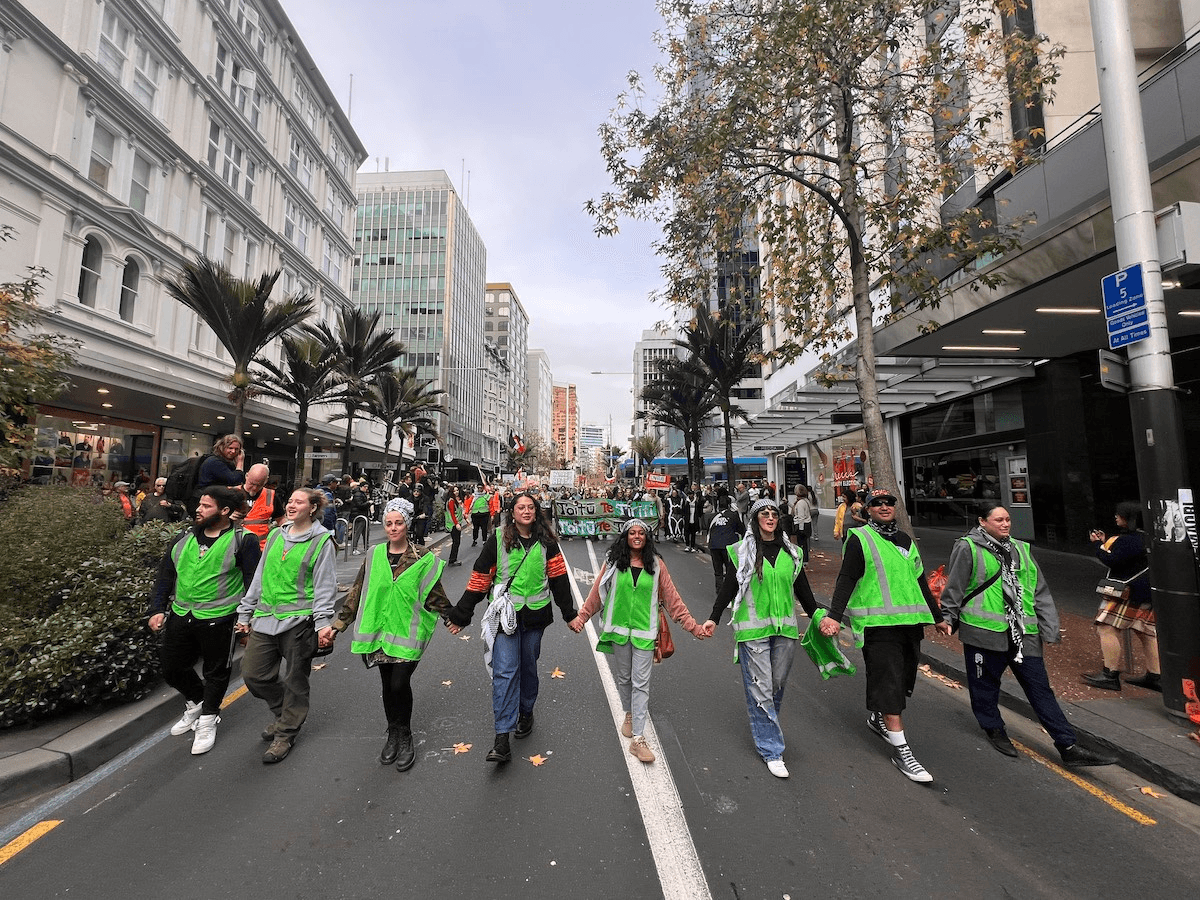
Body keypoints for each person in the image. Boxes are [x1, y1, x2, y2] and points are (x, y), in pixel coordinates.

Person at [941, 502, 1117, 766]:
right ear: (982, 522)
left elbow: (1039, 590)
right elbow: (955, 586)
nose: (1005, 524)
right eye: (999, 520)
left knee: (1040, 689)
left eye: (1008, 519)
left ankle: (1068, 745)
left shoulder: (1022, 549)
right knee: (985, 687)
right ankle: (994, 728)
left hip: (1024, 633)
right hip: (984, 631)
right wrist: (947, 617)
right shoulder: (968, 547)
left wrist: (1049, 626)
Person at [820, 488, 949, 784]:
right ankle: (902, 751)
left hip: (910, 624)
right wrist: (834, 616)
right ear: (868, 510)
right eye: (876, 504)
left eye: (889, 503)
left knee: (902, 680)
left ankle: (878, 718)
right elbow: (846, 578)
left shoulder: (905, 541)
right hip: (877, 626)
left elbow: (919, 580)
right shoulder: (860, 539)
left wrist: (938, 617)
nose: (884, 507)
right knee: (889, 682)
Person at [446, 492, 578, 764]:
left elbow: (559, 580)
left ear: (536, 511)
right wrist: (461, 615)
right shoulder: (497, 539)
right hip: (505, 619)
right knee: (505, 672)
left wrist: (570, 614)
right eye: (521, 507)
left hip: (536, 618)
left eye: (531, 507)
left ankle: (526, 712)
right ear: (513, 512)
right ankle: (502, 738)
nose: (526, 511)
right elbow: (480, 579)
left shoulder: (547, 541)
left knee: (528, 668)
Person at [329, 498, 452, 771]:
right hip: (379, 634)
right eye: (388, 523)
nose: (393, 528)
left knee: (399, 684)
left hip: (408, 633)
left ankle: (405, 735)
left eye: (398, 523)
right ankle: (393, 733)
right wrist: (338, 624)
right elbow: (357, 591)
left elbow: (434, 594)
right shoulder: (374, 555)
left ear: (407, 525)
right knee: (387, 685)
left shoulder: (422, 558)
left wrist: (452, 618)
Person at [570, 519, 706, 763]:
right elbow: (597, 593)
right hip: (618, 631)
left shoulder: (656, 565)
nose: (636, 536)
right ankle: (630, 714)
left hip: (645, 633)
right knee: (624, 678)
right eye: (632, 533)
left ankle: (639, 739)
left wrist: (693, 627)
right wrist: (582, 616)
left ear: (647, 538)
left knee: (641, 683)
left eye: (641, 533)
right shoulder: (613, 563)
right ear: (625, 537)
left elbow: (673, 600)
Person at [700, 497, 818, 778]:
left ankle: (764, 724)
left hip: (785, 630)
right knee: (761, 687)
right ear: (755, 520)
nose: (770, 517)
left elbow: (802, 589)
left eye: (774, 513)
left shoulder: (793, 552)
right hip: (752, 629)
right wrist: (714, 617)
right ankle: (771, 749)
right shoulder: (742, 551)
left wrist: (819, 617)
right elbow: (730, 586)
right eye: (764, 513)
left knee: (775, 685)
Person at [148, 486, 261, 754]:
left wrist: (247, 618)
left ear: (225, 511)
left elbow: (253, 582)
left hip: (220, 618)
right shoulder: (183, 537)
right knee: (171, 667)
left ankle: (209, 718)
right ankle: (197, 701)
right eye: (199, 504)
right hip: (181, 613)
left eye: (206, 506)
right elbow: (166, 574)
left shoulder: (244, 541)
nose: (198, 509)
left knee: (216, 672)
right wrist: (157, 609)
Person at [235, 487, 338, 764]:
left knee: (295, 681)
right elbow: (260, 576)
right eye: (290, 501)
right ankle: (285, 714)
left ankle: (285, 733)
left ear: (312, 508)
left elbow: (325, 586)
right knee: (253, 674)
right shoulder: (274, 536)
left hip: (299, 622)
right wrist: (245, 613)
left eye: (298, 502)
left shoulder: (322, 541)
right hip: (265, 618)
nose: (291, 505)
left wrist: (323, 624)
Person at [1083, 502, 1159, 692]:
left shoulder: (1128, 540)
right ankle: (1155, 676)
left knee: (1106, 627)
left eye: (1120, 514)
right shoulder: (1149, 538)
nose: (1116, 517)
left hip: (1126, 593)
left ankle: (1110, 675)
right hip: (1147, 592)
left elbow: (1112, 559)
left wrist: (1097, 544)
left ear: (1130, 518)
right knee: (1146, 632)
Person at [236, 464, 285, 550]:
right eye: (251, 483)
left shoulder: (271, 496)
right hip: (235, 546)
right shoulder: (232, 493)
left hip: (260, 548)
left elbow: (281, 520)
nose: (254, 488)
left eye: (259, 485)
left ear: (266, 481)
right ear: (246, 476)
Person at [706, 494, 743, 597]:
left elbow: (707, 529)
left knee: (718, 572)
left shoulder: (712, 517)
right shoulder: (733, 515)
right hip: (729, 547)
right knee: (730, 570)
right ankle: (730, 593)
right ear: (729, 505)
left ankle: (720, 593)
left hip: (714, 546)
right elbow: (741, 529)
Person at [196, 435, 246, 499]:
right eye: (230, 448)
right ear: (222, 447)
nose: (233, 451)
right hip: (206, 499)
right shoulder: (215, 462)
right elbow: (235, 481)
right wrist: (240, 462)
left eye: (236, 449)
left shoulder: (226, 462)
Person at [444, 485, 467, 566]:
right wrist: (456, 524)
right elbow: (452, 513)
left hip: (455, 523)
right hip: (453, 524)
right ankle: (452, 560)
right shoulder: (451, 501)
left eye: (457, 490)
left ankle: (453, 559)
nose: (456, 492)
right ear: (451, 492)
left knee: (456, 542)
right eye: (454, 491)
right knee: (456, 542)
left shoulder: (455, 500)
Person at [790, 484, 813, 560]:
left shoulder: (800, 503)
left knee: (801, 544)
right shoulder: (805, 501)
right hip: (807, 524)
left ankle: (803, 559)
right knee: (804, 544)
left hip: (802, 525)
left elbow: (801, 516)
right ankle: (805, 558)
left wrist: (801, 529)